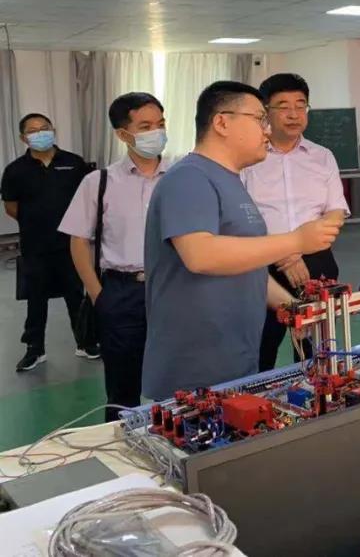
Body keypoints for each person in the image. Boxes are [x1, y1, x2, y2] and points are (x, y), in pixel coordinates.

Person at [141, 81, 342, 400]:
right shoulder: (189, 178)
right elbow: (201, 255)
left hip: (235, 355)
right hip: (197, 364)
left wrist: (293, 308)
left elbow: (249, 266)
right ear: (222, 123)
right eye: (259, 119)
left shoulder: (231, 182)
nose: (267, 130)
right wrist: (295, 241)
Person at [59, 93, 168, 420]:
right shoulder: (100, 182)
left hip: (173, 289)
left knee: (178, 382)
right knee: (123, 389)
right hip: (122, 292)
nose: (156, 132)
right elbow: (79, 241)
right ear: (123, 134)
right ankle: (122, 444)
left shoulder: (180, 177)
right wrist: (98, 295)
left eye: (161, 124)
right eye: (145, 126)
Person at [242, 73, 349, 372]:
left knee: (317, 350)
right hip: (263, 265)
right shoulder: (249, 159)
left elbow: (335, 212)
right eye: (283, 106)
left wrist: (299, 249)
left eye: (300, 106)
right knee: (261, 347)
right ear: (265, 112)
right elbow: (241, 218)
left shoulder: (322, 156)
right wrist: (286, 254)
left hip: (317, 263)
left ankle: (315, 396)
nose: (293, 114)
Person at [1, 113, 95, 372]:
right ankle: (35, 349)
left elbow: (87, 199)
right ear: (23, 138)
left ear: (53, 130)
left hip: (71, 244)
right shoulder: (15, 170)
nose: (40, 133)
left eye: (45, 128)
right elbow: (11, 207)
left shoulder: (74, 163)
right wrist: (37, 221)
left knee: (75, 294)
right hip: (35, 245)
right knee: (36, 298)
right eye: (33, 130)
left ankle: (85, 342)